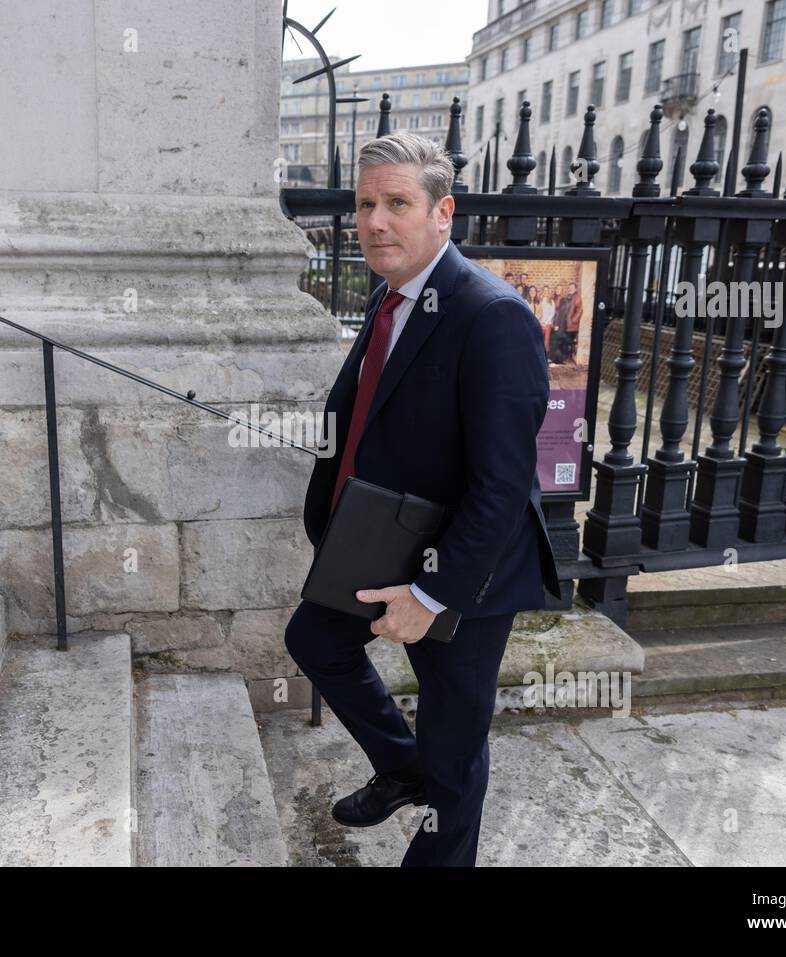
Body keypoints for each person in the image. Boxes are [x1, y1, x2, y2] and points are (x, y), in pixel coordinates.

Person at [287, 131, 560, 867]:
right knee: (315, 640)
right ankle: (403, 767)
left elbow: (501, 485)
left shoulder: (492, 316)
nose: (374, 221)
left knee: (455, 745)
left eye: (396, 203)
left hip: (468, 568)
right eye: (366, 204)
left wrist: (433, 595)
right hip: (386, 539)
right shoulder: (390, 295)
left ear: (444, 212)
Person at [540, 286, 556, 357]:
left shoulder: (551, 301)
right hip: (541, 323)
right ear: (543, 291)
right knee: (540, 340)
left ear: (548, 291)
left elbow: (552, 313)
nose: (545, 292)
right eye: (544, 290)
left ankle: (545, 356)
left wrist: (546, 323)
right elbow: (540, 312)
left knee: (546, 341)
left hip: (548, 324)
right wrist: (541, 322)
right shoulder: (541, 300)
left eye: (547, 290)